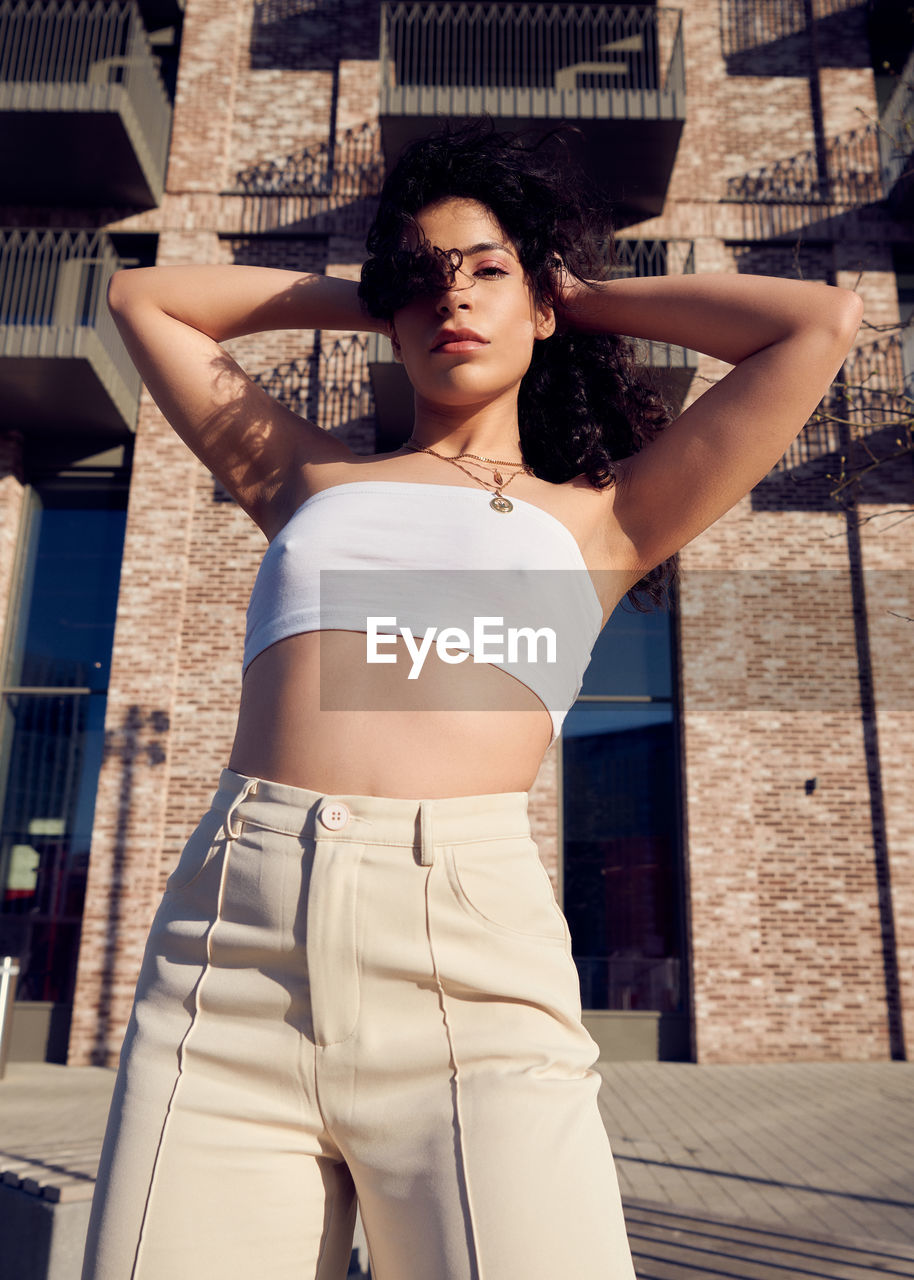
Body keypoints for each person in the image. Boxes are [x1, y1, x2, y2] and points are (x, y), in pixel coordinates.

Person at [80, 120, 863, 1280]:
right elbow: (149, 299)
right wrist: (390, 293)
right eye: (425, 278)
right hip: (227, 953)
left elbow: (812, 324)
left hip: (467, 964)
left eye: (486, 270)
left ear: (541, 298)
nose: (455, 298)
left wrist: (559, 291)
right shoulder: (305, 475)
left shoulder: (603, 519)